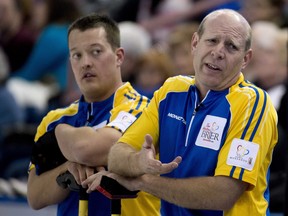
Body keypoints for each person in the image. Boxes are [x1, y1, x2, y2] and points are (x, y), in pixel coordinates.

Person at [84, 9, 278, 216]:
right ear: (195, 43)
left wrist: (143, 180)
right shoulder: (171, 90)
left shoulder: (253, 103)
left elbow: (224, 193)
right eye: (212, 41)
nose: (218, 52)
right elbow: (117, 156)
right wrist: (140, 162)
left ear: (246, 59)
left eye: (231, 46)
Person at [27, 13, 160, 216]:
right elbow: (35, 197)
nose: (85, 63)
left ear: (119, 57)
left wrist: (61, 133)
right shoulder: (53, 118)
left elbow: (89, 150)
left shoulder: (143, 109)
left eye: (96, 52)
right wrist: (67, 170)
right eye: (76, 55)